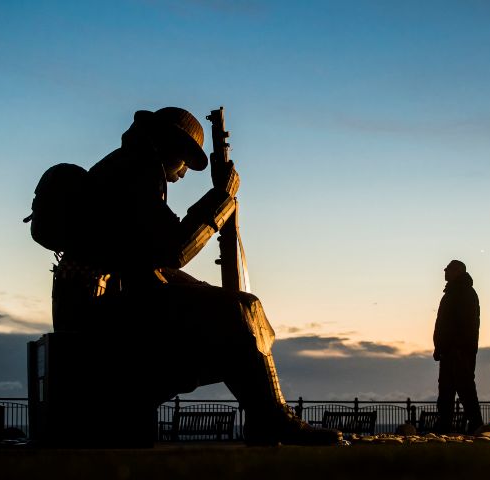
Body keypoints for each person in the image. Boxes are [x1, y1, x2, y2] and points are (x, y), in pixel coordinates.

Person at [51, 107, 342, 446]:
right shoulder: (135, 169)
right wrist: (222, 197)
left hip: (104, 306)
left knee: (242, 314)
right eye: (185, 162)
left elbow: (146, 261)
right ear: (168, 146)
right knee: (243, 310)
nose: (183, 174)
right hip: (105, 314)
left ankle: (266, 419)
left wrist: (213, 296)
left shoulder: (126, 167)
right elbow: (174, 249)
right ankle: (272, 419)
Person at [432, 259, 484, 434]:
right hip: (449, 352)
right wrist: (440, 348)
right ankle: (445, 429)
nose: (445, 271)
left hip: (459, 352)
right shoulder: (453, 293)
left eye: (448, 269)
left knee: (465, 391)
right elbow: (444, 324)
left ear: (458, 271)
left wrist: (458, 348)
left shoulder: (464, 293)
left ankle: (477, 428)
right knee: (446, 394)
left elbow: (467, 324)